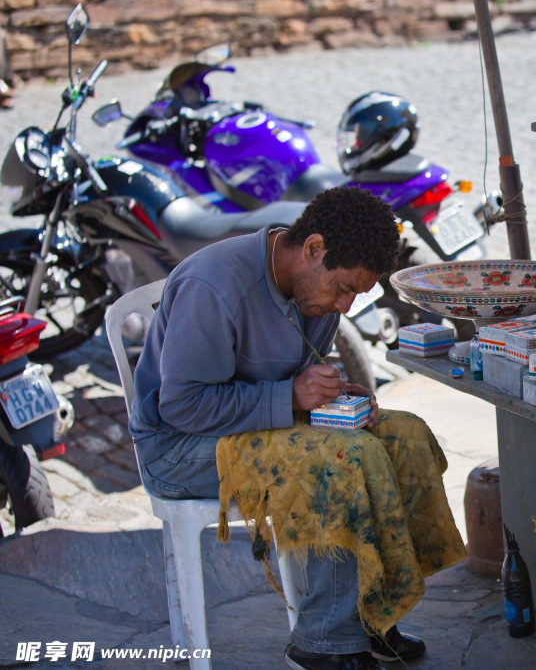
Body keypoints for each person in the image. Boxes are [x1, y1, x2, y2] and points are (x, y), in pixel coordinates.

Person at [129, 186, 466, 670]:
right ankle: (323, 643)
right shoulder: (215, 286)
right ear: (313, 249)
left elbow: (294, 377)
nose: (346, 307)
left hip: (253, 426)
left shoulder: (314, 290)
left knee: (401, 435)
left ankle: (373, 612)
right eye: (345, 288)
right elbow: (181, 407)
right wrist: (292, 397)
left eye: (357, 295)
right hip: (181, 448)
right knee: (342, 459)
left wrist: (333, 393)